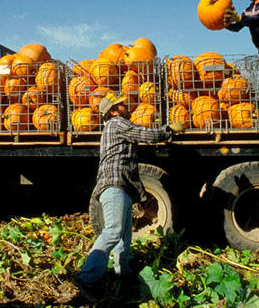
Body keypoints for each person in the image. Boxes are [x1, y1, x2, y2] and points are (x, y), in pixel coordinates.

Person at [72, 93, 185, 302]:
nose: (126, 106)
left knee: (124, 237)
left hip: (121, 188)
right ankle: (85, 276)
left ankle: (124, 275)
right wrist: (167, 131)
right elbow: (143, 135)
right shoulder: (116, 124)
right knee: (113, 232)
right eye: (122, 104)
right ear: (113, 111)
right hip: (114, 186)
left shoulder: (115, 126)